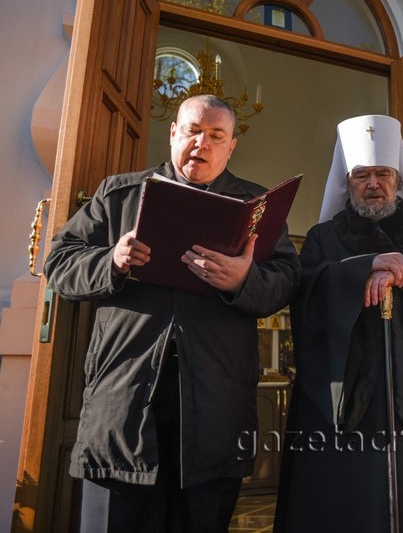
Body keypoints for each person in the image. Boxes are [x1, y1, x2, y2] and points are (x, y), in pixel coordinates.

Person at [43, 94, 301, 532]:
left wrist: (243, 280)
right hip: (123, 401)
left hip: (215, 406)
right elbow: (59, 263)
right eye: (193, 131)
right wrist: (112, 260)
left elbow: (288, 280)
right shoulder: (120, 194)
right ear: (173, 133)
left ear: (231, 146)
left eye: (216, 135)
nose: (202, 143)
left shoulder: (256, 207)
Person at [273, 114, 403, 533]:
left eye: (383, 174)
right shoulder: (323, 238)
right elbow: (302, 290)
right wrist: (363, 268)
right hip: (341, 402)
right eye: (362, 175)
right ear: (348, 181)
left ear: (398, 180)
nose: (373, 184)